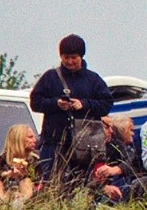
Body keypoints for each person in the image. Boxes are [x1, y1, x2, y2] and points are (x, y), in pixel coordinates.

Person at [30, 37, 114, 181]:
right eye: (66, 57)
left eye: (73, 57)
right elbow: (35, 102)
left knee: (82, 184)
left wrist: (85, 104)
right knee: (51, 182)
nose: (69, 61)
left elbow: (107, 104)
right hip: (54, 142)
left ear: (81, 56)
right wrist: (56, 104)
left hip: (85, 144)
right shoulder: (50, 77)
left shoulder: (93, 80)